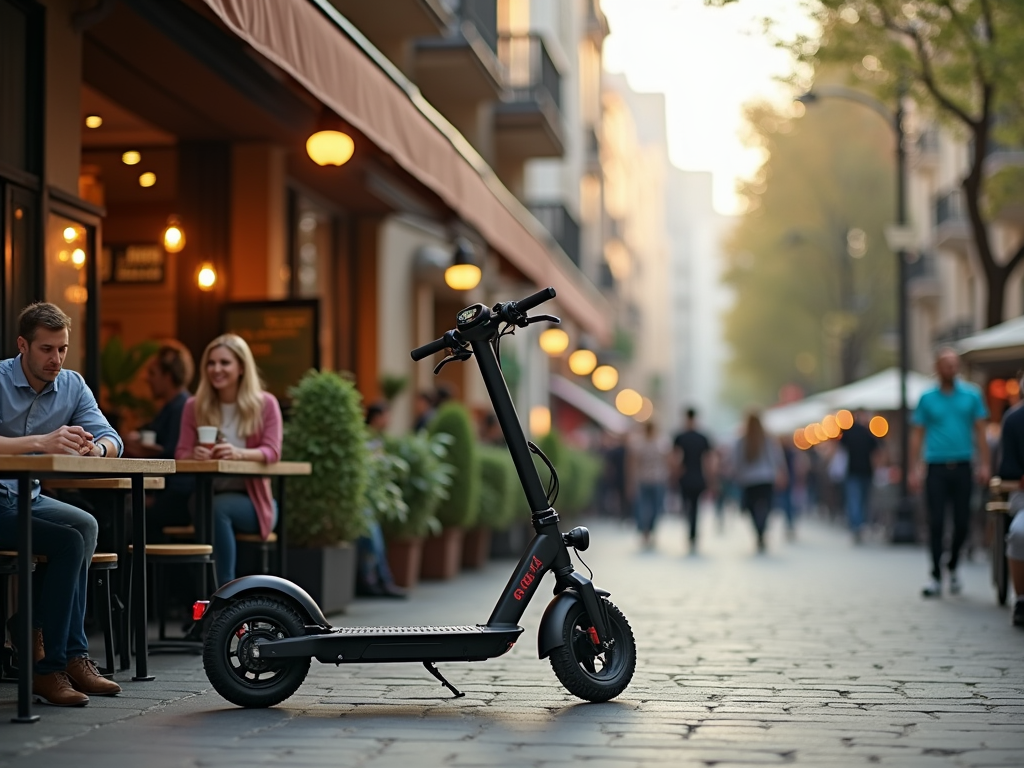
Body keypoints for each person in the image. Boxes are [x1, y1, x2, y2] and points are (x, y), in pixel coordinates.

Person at [0, 302, 124, 706]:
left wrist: (97, 452)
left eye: (63, 349)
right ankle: (49, 667)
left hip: (28, 498)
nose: (56, 359)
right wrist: (41, 442)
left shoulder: (72, 384)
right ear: (23, 345)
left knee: (85, 524)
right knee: (68, 542)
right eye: (47, 349)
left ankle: (64, 651)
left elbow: (110, 436)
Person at [175, 334, 281, 586]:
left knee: (216, 508)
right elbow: (181, 454)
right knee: (202, 505)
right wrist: (195, 455)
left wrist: (238, 453)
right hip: (207, 495)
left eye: (225, 363)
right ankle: (207, 592)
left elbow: (272, 452)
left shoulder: (265, 404)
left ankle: (224, 592)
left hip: (254, 502)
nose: (216, 369)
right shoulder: (194, 406)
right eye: (211, 363)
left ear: (241, 367)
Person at [909, 348, 990, 598]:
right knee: (935, 522)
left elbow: (980, 431)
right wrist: (914, 467)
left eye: (955, 365)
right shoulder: (927, 398)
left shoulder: (972, 395)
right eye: (947, 364)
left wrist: (985, 463)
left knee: (963, 522)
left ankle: (953, 565)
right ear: (938, 367)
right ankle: (935, 574)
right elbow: (917, 434)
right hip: (935, 466)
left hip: (964, 465)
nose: (951, 369)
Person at [121, 341, 195, 539]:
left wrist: (141, 449)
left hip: (177, 495)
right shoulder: (170, 407)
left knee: (124, 510)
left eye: (152, 373)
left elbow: (173, 454)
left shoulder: (183, 408)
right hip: (165, 490)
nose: (146, 379)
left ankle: (131, 568)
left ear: (168, 376)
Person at [356, 401, 405, 598]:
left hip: (372, 498)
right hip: (363, 499)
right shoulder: (365, 437)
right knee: (374, 542)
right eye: (387, 415)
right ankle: (379, 582)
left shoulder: (376, 437)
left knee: (375, 541)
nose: (390, 420)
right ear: (377, 417)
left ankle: (376, 581)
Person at [734, 412, 788, 553]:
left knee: (751, 507)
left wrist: (738, 475)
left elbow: (737, 461)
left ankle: (758, 531)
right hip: (766, 477)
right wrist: (781, 473)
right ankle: (762, 529)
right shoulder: (768, 439)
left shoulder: (742, 440)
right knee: (766, 506)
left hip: (749, 479)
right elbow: (776, 458)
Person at [996, 388, 1024, 627]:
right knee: (1019, 532)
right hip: (1022, 495)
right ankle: (1021, 598)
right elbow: (1007, 469)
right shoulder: (1014, 419)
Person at [672, 408, 712, 552]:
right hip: (698, 477)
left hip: (685, 477)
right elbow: (708, 461)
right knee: (695, 508)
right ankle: (693, 534)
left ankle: (691, 532)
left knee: (687, 506)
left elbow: (676, 458)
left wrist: (675, 475)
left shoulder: (680, 437)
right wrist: (711, 479)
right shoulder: (703, 437)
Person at [627, 421, 672, 548]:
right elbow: (633, 463)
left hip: (657, 479)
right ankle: (645, 531)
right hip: (645, 479)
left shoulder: (661, 443)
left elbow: (668, 460)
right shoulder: (640, 443)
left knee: (655, 507)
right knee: (643, 507)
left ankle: (649, 530)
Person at [840, 409, 880, 544]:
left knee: (855, 500)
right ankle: (859, 524)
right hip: (865, 471)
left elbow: (841, 447)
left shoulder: (850, 433)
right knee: (862, 500)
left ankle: (856, 526)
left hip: (854, 471)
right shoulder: (868, 433)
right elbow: (877, 452)